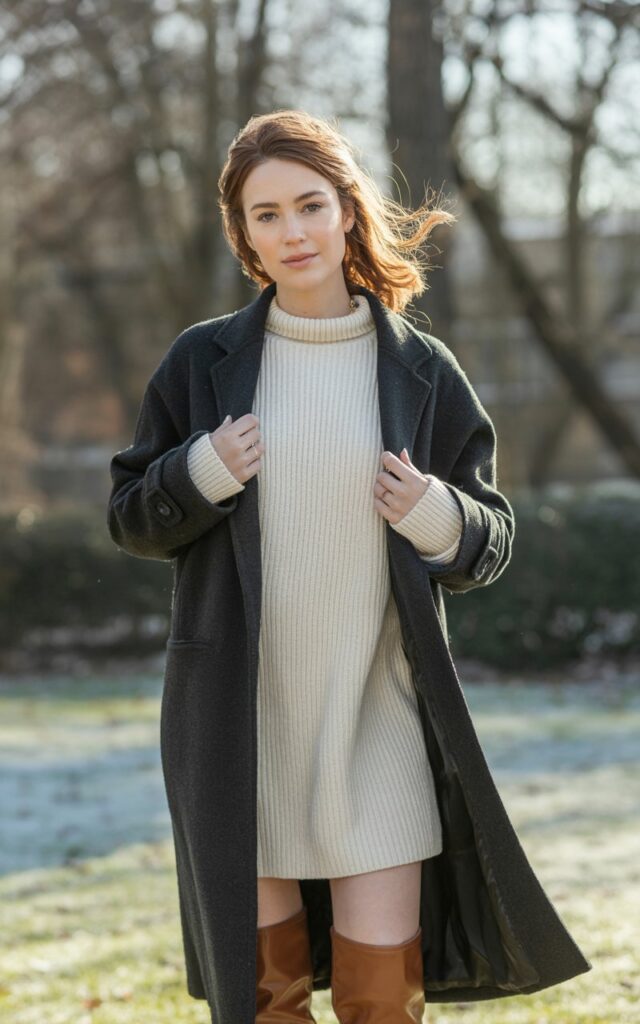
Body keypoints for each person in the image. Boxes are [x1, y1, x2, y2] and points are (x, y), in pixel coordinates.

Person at [107, 109, 591, 1024]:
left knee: (383, 1005)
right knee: (268, 1005)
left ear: (347, 210)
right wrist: (201, 471)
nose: (292, 231)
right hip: (242, 733)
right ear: (244, 234)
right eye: (266, 214)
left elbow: (491, 537)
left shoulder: (422, 369)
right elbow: (131, 517)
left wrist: (435, 515)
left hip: (381, 723)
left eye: (310, 205)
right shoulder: (201, 364)